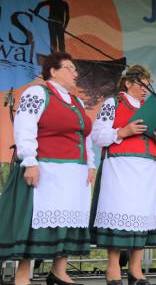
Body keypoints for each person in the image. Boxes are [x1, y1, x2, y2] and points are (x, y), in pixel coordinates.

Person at [0, 52, 95, 285]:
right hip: (47, 168)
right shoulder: (37, 93)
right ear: (53, 71)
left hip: (75, 172)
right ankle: (22, 276)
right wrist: (30, 161)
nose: (75, 73)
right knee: (34, 222)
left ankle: (59, 271)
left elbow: (86, 137)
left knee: (69, 220)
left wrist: (91, 164)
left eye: (75, 69)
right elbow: (25, 126)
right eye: (69, 68)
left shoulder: (77, 102)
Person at [90, 65, 156, 285]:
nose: (146, 89)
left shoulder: (151, 108)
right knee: (119, 213)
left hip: (147, 168)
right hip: (120, 166)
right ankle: (113, 267)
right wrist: (123, 131)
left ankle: (135, 270)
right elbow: (97, 135)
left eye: (148, 84)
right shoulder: (113, 103)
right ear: (128, 83)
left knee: (141, 216)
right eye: (142, 83)